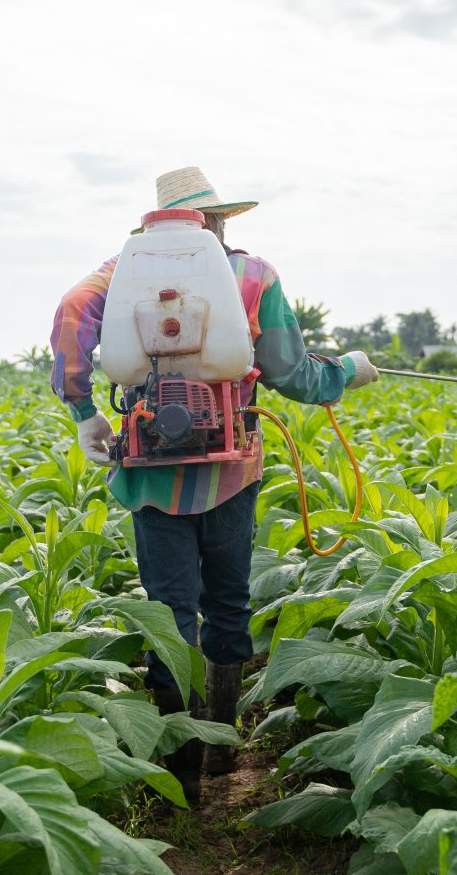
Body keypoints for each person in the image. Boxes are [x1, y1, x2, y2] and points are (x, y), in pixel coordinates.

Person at [49, 166, 378, 805]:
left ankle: (182, 775)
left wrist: (83, 409)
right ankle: (224, 747)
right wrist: (347, 373)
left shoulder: (120, 273)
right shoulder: (253, 276)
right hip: (231, 467)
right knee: (227, 603)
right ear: (219, 219)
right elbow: (291, 372)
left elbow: (69, 313)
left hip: (151, 470)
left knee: (169, 616)